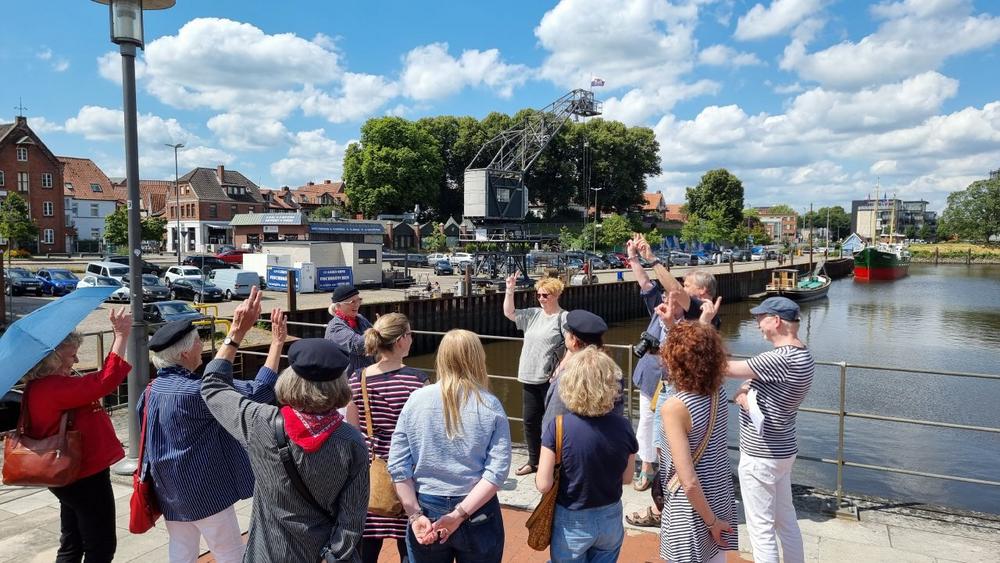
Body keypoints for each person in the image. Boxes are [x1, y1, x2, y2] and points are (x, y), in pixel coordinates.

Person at [202, 288, 369, 562]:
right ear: (340, 384)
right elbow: (352, 519)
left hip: (268, 554)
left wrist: (236, 333)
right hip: (321, 555)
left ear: (290, 379)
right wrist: (332, 556)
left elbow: (212, 386)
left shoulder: (261, 422)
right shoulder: (351, 441)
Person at [139, 308, 287, 563]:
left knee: (181, 551)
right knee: (230, 552)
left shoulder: (150, 391)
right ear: (185, 353)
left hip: (168, 490)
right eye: (199, 341)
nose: (203, 346)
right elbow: (259, 391)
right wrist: (276, 342)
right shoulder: (196, 393)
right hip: (205, 491)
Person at [388, 329, 511, 563]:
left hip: (427, 507)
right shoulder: (490, 405)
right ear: (478, 358)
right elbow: (496, 472)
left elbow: (397, 465)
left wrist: (414, 515)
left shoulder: (416, 400)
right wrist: (459, 514)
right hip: (477, 510)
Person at [20, 307, 132, 563]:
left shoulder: (39, 387)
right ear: (54, 359)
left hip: (66, 474)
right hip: (84, 475)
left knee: (72, 542)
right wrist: (121, 335)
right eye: (72, 355)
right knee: (100, 546)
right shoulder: (54, 388)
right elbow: (105, 381)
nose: (77, 361)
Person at [624, 233, 707, 514]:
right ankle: (648, 468)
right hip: (650, 378)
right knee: (646, 424)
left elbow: (674, 289)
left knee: (668, 434)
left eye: (683, 288)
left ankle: (666, 485)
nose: (674, 292)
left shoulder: (695, 318)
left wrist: (652, 258)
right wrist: (633, 258)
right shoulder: (661, 308)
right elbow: (645, 284)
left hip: (673, 384)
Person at [727, 297, 814, 563]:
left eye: (760, 318)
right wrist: (746, 390)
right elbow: (756, 381)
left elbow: (725, 368)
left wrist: (701, 335)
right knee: (786, 520)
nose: (757, 325)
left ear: (776, 321)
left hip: (760, 454)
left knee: (761, 528)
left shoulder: (778, 358)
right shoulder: (803, 354)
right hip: (783, 450)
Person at [536, 347, 638, 563]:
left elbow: (543, 484)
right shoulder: (624, 426)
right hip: (610, 515)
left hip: (572, 518)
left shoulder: (558, 427)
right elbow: (627, 478)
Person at [346, 313, 428, 563]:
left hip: (372, 473)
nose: (412, 339)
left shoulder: (357, 378)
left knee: (366, 550)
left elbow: (353, 430)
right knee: (411, 547)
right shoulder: (417, 380)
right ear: (401, 340)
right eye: (410, 334)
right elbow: (425, 432)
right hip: (408, 474)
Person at [659, 321, 737, 563]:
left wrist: (711, 522)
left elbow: (689, 481)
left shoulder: (675, 407)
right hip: (719, 493)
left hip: (690, 509)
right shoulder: (717, 392)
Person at [503, 274, 566, 476]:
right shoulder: (533, 314)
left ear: (556, 295)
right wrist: (510, 289)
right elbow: (509, 312)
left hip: (550, 380)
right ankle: (534, 461)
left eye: (545, 295)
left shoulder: (563, 318)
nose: (541, 298)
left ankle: (555, 464)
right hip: (529, 376)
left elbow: (573, 347)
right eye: (538, 295)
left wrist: (560, 369)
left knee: (552, 424)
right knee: (530, 422)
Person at [541, 309, 623, 431]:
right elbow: (617, 412)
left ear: (574, 341)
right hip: (607, 437)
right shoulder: (614, 373)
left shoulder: (567, 377)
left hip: (572, 438)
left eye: (567, 332)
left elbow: (552, 421)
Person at [325, 283, 375, 377]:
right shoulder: (335, 327)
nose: (357, 304)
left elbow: (376, 342)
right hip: (347, 380)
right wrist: (379, 329)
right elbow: (358, 346)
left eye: (359, 300)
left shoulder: (360, 318)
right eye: (352, 302)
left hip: (366, 376)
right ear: (338, 306)